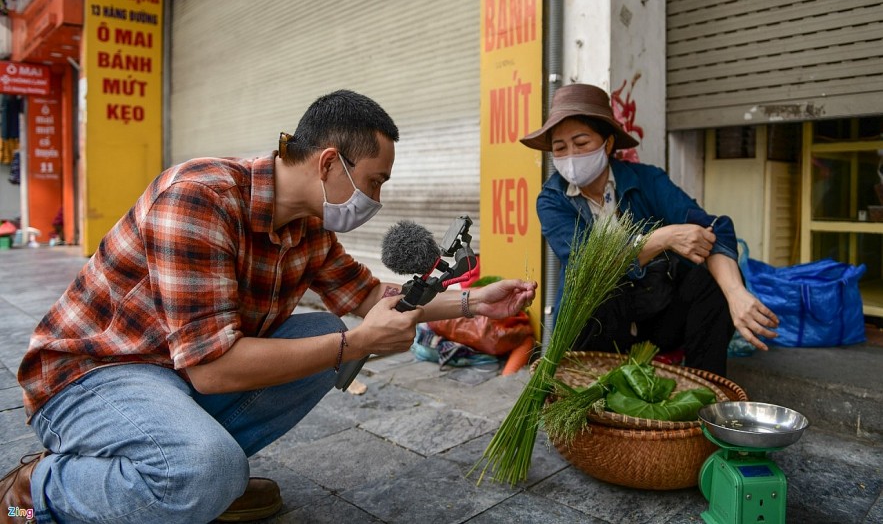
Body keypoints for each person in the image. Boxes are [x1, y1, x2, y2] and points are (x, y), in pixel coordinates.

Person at [1, 90, 536, 524]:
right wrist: (357, 343)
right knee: (218, 456)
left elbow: (374, 300)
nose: (377, 199)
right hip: (91, 375)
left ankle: (201, 480)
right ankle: (41, 486)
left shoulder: (309, 230)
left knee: (322, 332)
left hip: (168, 375)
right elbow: (212, 370)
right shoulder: (199, 197)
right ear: (330, 163)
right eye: (374, 182)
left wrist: (475, 302)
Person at [519, 83, 777, 377]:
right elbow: (587, 260)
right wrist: (661, 238)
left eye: (581, 143)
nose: (571, 157)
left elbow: (711, 229)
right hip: (594, 324)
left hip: (657, 317)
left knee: (709, 279)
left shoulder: (647, 181)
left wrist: (735, 294)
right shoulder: (552, 201)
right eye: (560, 148)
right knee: (599, 287)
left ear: (608, 144)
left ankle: (704, 392)